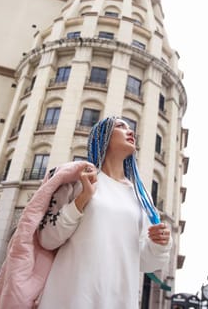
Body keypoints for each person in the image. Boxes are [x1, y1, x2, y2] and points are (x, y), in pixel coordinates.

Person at [36, 116, 172, 308]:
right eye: (120, 126)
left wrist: (160, 244)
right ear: (102, 136)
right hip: (69, 297)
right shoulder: (79, 179)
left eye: (130, 128)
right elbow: (47, 239)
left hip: (119, 300)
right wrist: (82, 199)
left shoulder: (142, 196)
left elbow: (145, 262)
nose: (130, 132)